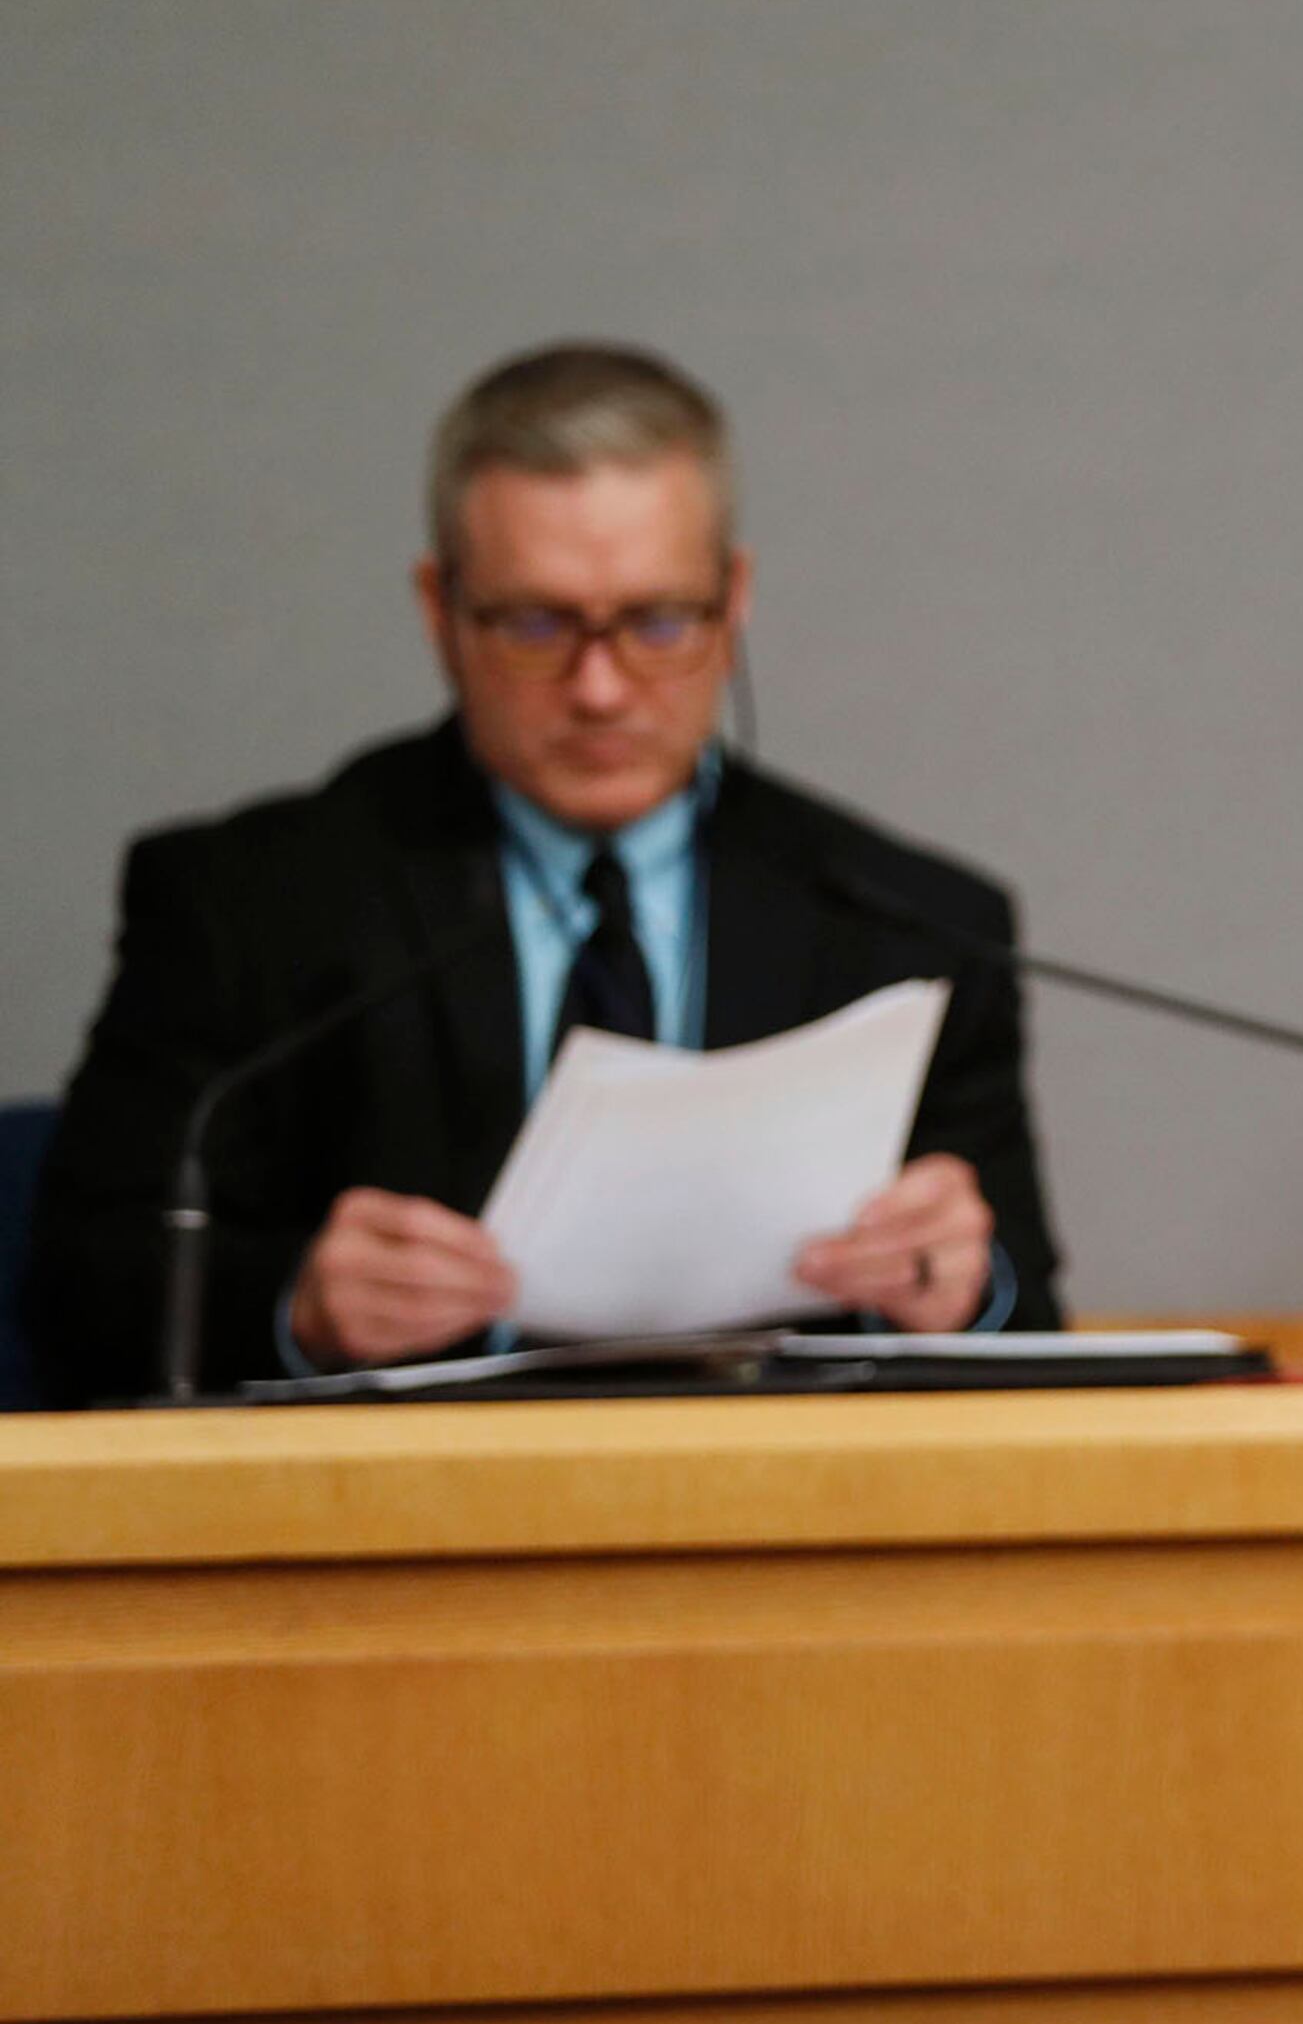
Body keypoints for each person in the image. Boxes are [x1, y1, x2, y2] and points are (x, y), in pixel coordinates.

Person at [23, 342, 1064, 1404]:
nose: (601, 689)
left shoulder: (908, 925)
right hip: (386, 1530)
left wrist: (963, 1286)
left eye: (658, 622)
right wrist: (297, 1303)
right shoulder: (249, 903)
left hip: (780, 1527)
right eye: (535, 625)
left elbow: (1032, 1327)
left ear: (733, 599)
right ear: (441, 612)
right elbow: (76, 1288)